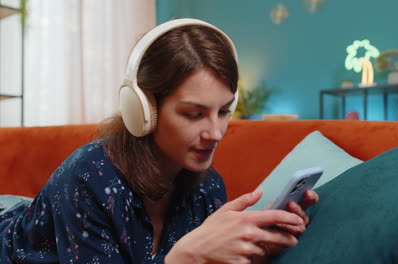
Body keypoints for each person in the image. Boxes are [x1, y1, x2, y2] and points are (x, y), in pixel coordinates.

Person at [0, 18, 318, 263]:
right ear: (144, 110)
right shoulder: (87, 178)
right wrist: (183, 257)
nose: (216, 133)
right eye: (193, 114)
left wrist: (254, 249)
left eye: (223, 111)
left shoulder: (208, 188)